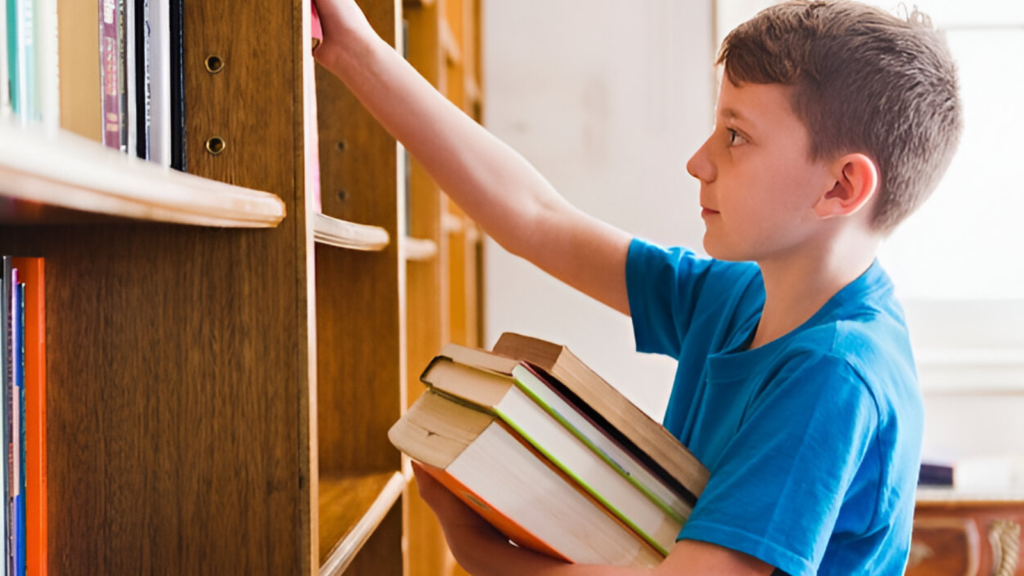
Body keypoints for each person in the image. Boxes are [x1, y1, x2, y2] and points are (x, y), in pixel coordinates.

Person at [313, 1, 962, 574]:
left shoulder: (836, 375)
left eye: (735, 136)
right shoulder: (737, 291)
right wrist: (355, 48)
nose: (698, 161)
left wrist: (479, 553)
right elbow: (536, 219)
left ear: (840, 187)